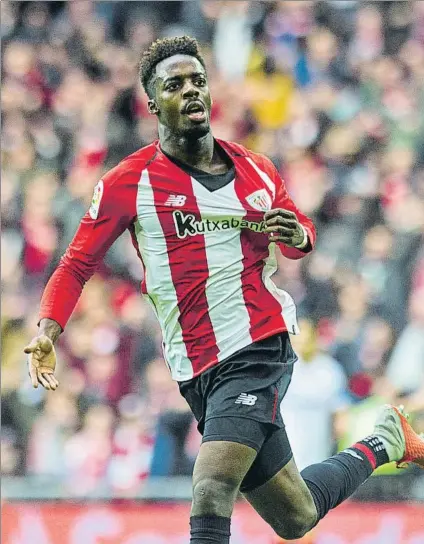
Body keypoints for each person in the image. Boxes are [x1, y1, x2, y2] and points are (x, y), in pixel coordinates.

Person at [24, 36, 424, 543]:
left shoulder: (256, 169)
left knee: (211, 486)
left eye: (197, 80)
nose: (190, 91)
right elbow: (77, 263)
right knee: (294, 515)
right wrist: (48, 330)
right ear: (153, 105)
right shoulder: (130, 183)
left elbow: (300, 231)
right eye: (174, 85)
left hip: (257, 344)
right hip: (196, 366)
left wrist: (298, 234)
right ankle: (383, 444)